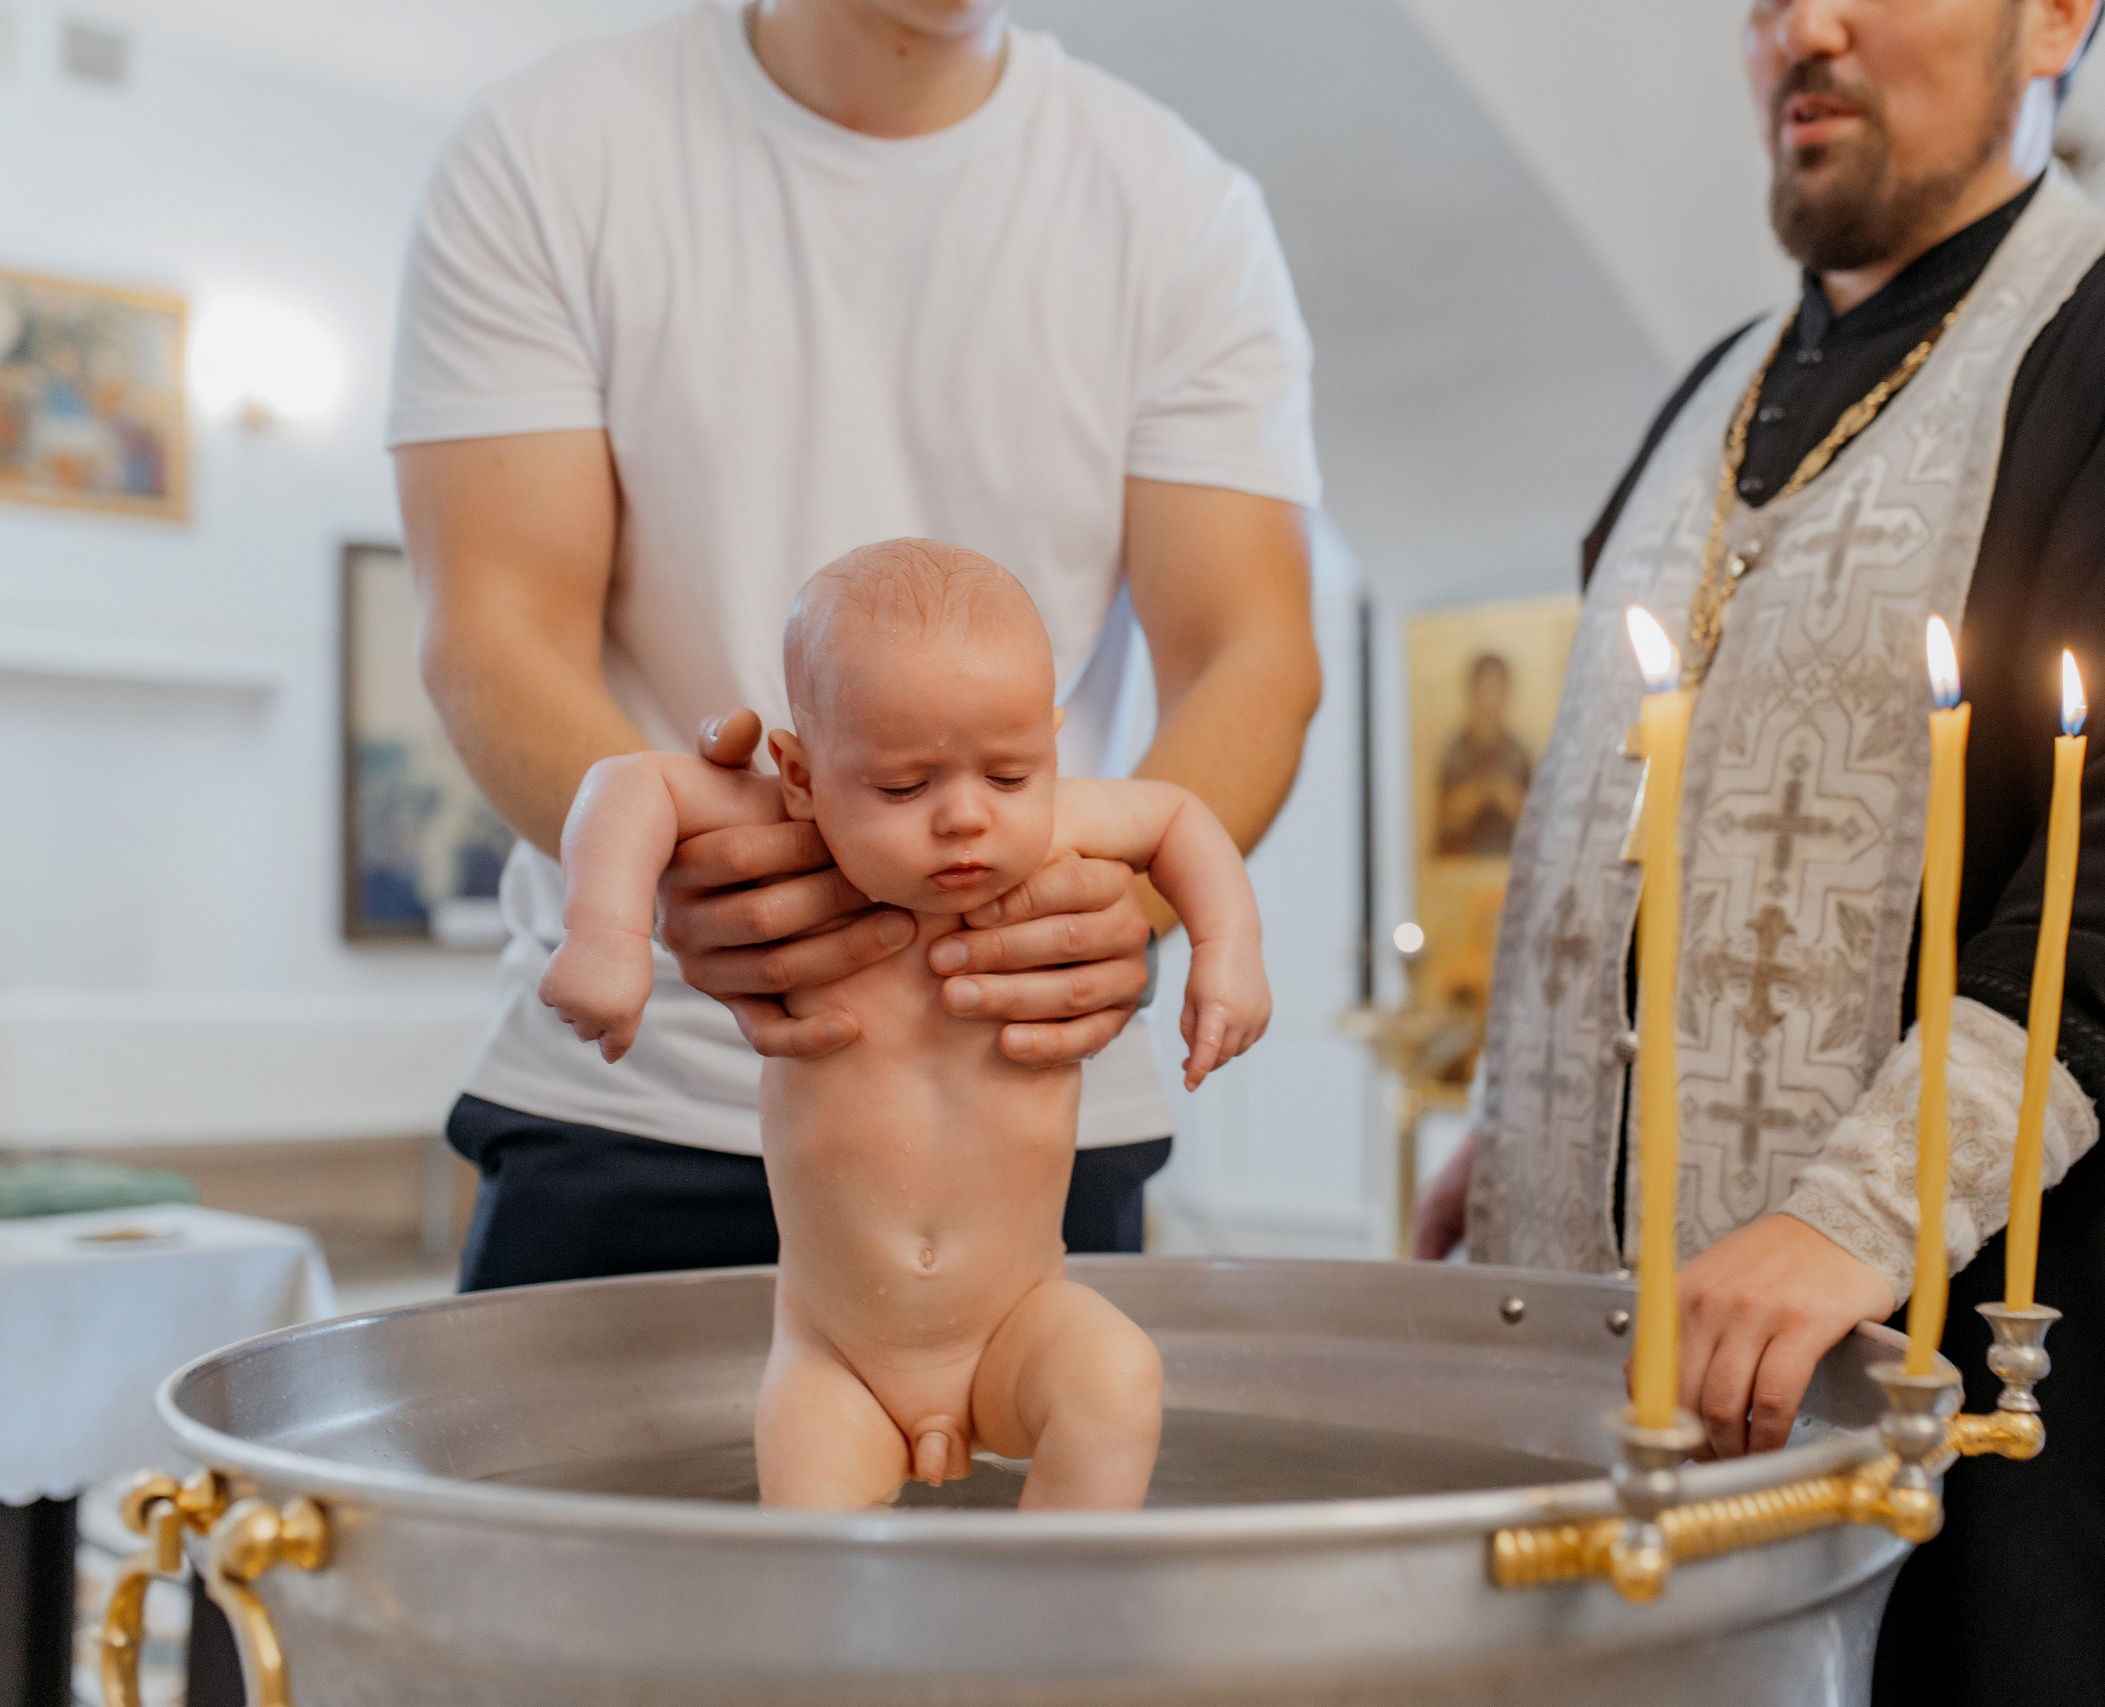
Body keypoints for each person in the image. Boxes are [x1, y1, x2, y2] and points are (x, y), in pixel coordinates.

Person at [1418, 1, 2105, 1700]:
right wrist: (1542, 1131)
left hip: (2013, 1387)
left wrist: (1853, 1214)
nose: (1807, 27)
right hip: (1638, 1376)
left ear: (2059, 19)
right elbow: (1639, 825)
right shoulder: (1703, 399)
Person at [390, 0, 1322, 1291]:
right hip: (639, 1093)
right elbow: (492, 629)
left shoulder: (1180, 211)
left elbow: (1252, 656)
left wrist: (1120, 904)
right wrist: (676, 878)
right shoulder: (549, 154)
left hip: (1022, 1097)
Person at [541, 541, 1268, 1509]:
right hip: (838, 1356)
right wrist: (607, 934)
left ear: (1049, 747)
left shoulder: (1062, 826)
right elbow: (625, 785)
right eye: (899, 788)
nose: (964, 816)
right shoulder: (789, 828)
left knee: (1116, 1379)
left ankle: (1057, 1631)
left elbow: (1179, 818)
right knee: (816, 1564)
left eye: (1010, 775)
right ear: (801, 775)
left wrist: (1228, 953)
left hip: (1018, 1323)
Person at [1434, 653, 1534, 858]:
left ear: (1506, 693)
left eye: (1496, 688)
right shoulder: (1455, 751)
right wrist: (1479, 792)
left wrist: (1506, 795)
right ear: (1472, 692)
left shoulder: (1518, 752)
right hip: (1462, 864)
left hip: (1509, 862)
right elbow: (1444, 821)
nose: (1489, 698)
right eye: (1483, 688)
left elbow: (1535, 821)